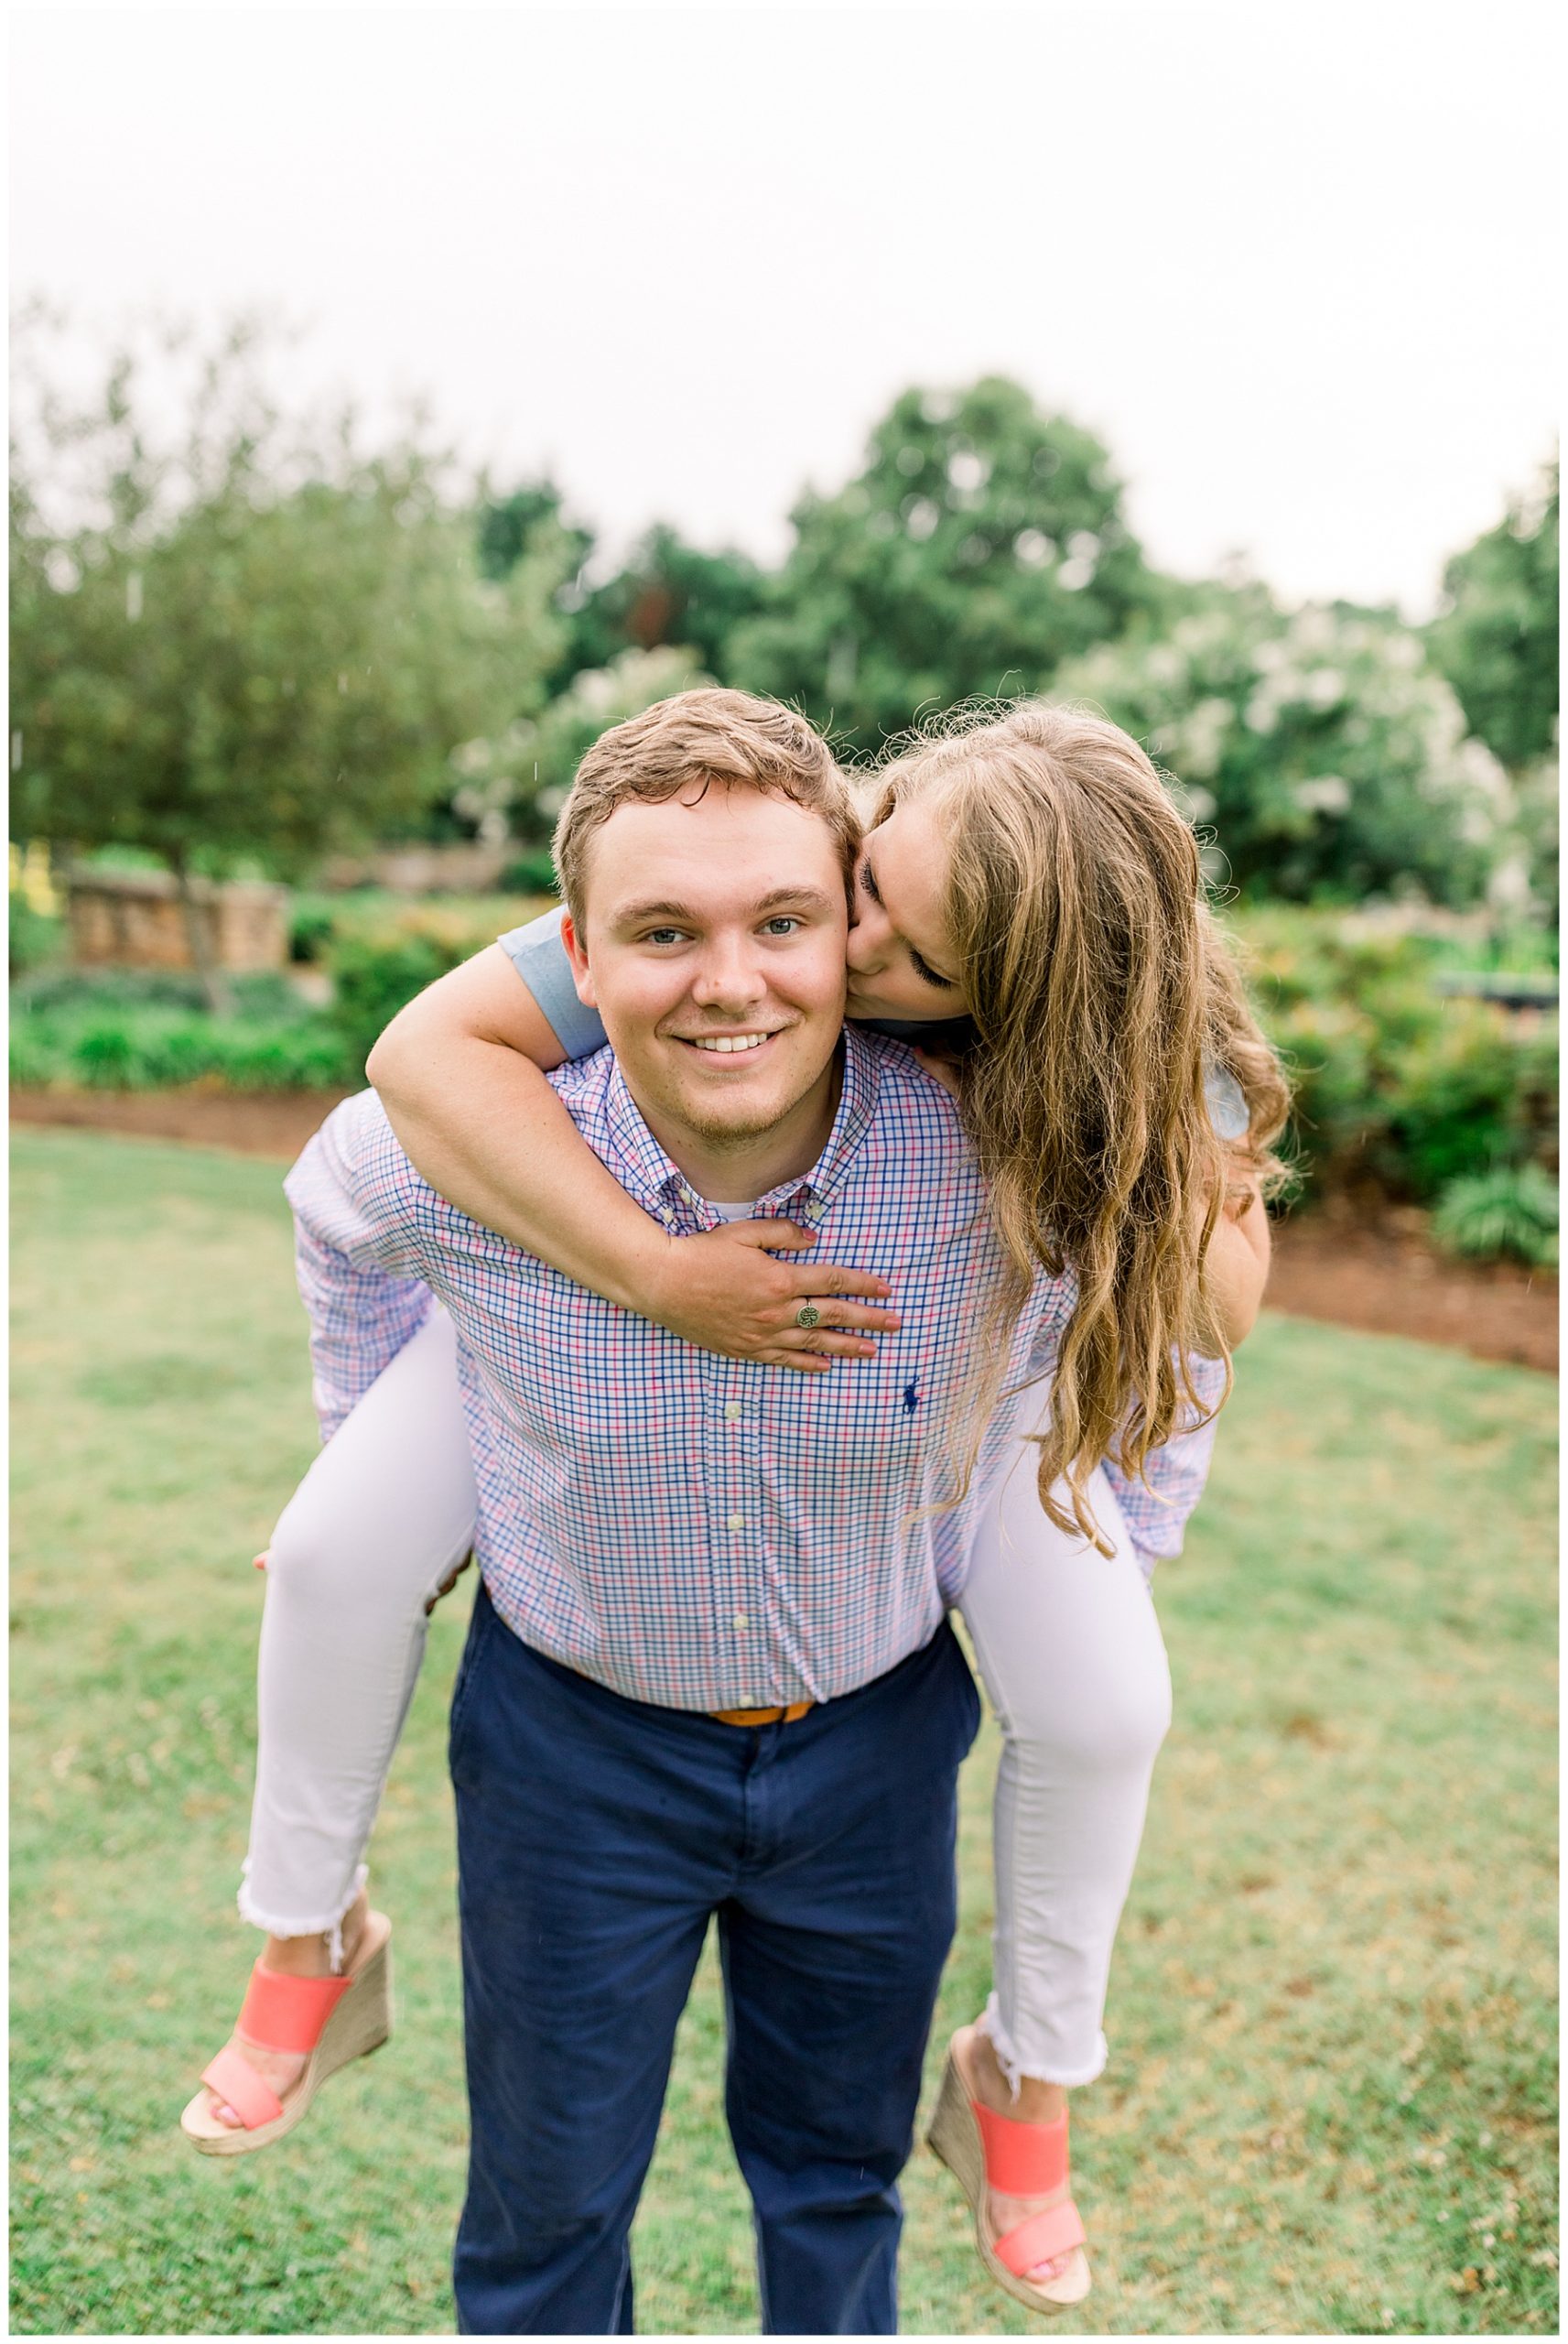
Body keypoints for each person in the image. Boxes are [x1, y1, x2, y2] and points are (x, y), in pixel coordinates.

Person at [184, 693, 1285, 2321]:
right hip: (573, 1707)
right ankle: (303, 1940)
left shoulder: (1025, 1113)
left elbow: (1183, 1325)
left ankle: (1028, 2080)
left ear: (1008, 995)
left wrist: (1116, 1082)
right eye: (855, 895)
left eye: (865, 943)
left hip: (880, 1690)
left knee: (1108, 1708)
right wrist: (551, 1340)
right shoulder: (643, 967)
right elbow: (396, 1097)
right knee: (341, 1553)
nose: (820, 955)